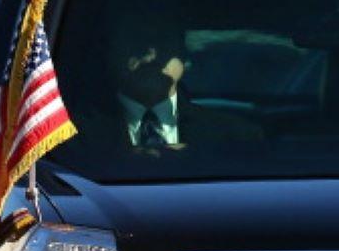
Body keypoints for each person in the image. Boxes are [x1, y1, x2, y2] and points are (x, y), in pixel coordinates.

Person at [100, 12, 262, 155]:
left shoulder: (237, 136)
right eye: (136, 40)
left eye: (162, 41)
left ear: (184, 57)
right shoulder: (78, 135)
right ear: (109, 54)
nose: (151, 55)